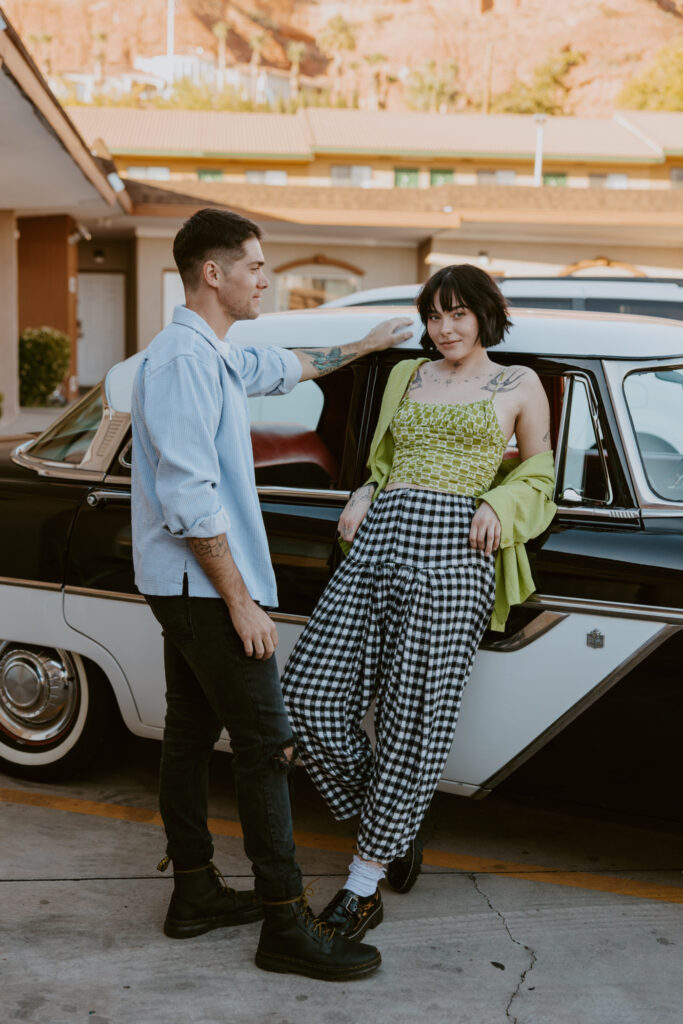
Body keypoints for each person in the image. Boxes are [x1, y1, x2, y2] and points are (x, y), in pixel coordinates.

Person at [130, 207, 412, 980]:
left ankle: (194, 892)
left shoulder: (211, 353)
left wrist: (364, 345)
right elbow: (189, 498)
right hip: (202, 586)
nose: (267, 278)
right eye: (255, 265)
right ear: (212, 274)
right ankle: (286, 923)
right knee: (268, 747)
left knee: (188, 737)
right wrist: (242, 601)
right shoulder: (183, 363)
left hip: (183, 585)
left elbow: (287, 367)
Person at [281, 263, 557, 940]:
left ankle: (362, 883)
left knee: (415, 716)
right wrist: (364, 491)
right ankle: (397, 819)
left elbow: (541, 471)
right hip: (380, 539)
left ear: (485, 315)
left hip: (456, 549)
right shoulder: (408, 375)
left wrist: (501, 500)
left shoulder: (517, 383)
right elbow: (386, 461)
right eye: (434, 316)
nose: (443, 328)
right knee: (307, 694)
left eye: (457, 314)